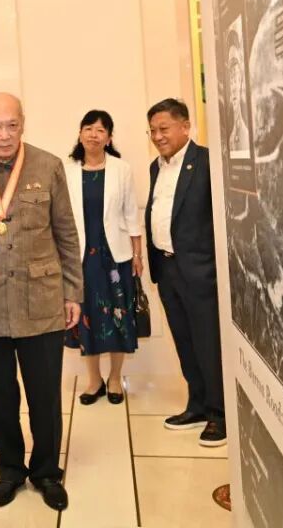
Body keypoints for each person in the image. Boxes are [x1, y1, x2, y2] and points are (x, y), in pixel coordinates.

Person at [0, 93, 82, 511]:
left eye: (12, 125)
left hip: (41, 302)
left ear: (23, 124)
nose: (4, 135)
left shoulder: (48, 165)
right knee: (0, 397)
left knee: (45, 396)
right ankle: (10, 470)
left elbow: (66, 233)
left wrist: (73, 291)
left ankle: (46, 471)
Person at [144, 98, 225, 447]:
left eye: (164, 128)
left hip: (200, 271)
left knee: (208, 342)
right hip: (167, 268)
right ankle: (197, 404)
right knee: (185, 341)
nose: (158, 136)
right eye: (152, 131)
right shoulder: (156, 167)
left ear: (185, 126)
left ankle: (220, 413)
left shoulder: (207, 162)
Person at [64, 110, 143, 405]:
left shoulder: (121, 169)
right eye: (88, 128)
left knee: (118, 315)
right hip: (81, 257)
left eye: (100, 130)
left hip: (115, 256)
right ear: (80, 133)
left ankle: (115, 378)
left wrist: (137, 254)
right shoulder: (67, 170)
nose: (94, 135)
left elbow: (131, 213)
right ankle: (94, 379)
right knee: (87, 317)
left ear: (109, 137)